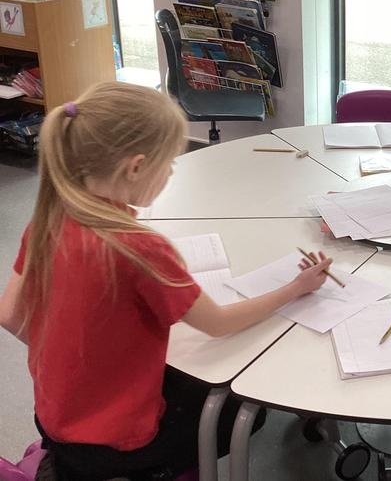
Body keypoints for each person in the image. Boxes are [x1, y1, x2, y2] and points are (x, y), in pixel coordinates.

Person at [0, 82, 334, 480]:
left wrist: (75, 355)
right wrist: (295, 288)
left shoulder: (48, 218)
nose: (171, 172)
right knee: (244, 410)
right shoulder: (137, 247)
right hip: (120, 439)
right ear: (135, 167)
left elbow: (9, 315)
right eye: (169, 163)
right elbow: (218, 324)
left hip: (55, 418)